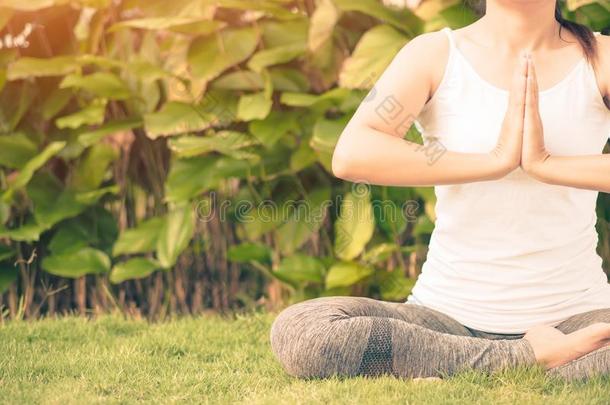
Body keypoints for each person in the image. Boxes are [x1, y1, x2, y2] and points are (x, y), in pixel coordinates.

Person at [269, 0, 610, 382]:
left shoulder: (601, 58)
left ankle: (472, 368)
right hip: (445, 319)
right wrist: (493, 162)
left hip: (578, 316)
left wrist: (546, 165)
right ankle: (529, 360)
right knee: (303, 330)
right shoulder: (434, 55)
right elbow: (353, 152)